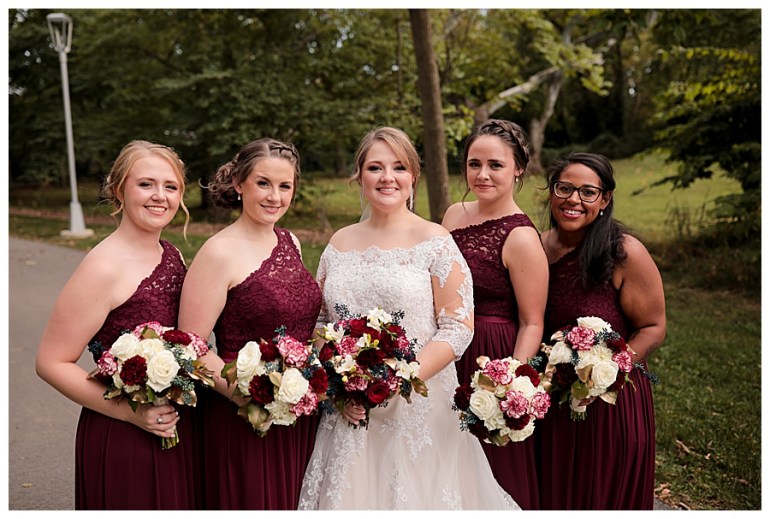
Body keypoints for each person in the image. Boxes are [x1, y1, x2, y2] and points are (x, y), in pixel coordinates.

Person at [298, 127, 518, 510]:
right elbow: (319, 324)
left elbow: (457, 326)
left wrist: (395, 379)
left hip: (419, 407)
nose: (387, 177)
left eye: (399, 167)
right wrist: (344, 385)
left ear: (413, 177)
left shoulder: (434, 241)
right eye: (375, 167)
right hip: (350, 411)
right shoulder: (338, 243)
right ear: (359, 176)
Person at [35, 140, 197, 509]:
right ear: (118, 189)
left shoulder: (171, 253)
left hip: (173, 422)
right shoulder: (102, 267)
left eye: (170, 187)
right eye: (146, 184)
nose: (160, 196)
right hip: (122, 429)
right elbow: (50, 361)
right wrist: (132, 413)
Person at [177, 138, 322, 510]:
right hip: (242, 415)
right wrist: (253, 395)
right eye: (263, 183)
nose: (275, 196)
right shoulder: (218, 252)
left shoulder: (290, 241)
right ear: (239, 183)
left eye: (284, 186)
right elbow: (189, 346)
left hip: (299, 414)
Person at [536, 152, 666, 509]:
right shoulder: (536, 247)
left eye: (587, 192)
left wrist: (606, 372)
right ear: (551, 192)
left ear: (605, 199)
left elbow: (654, 327)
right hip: (553, 400)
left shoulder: (624, 252)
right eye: (564, 188)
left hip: (611, 402)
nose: (573, 200)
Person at [441, 119, 548, 509]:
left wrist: (509, 385)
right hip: (445, 350)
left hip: (490, 355)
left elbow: (532, 321)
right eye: (474, 164)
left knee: (492, 467)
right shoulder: (453, 215)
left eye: (495, 165)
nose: (482, 175)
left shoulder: (520, 237)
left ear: (518, 168)